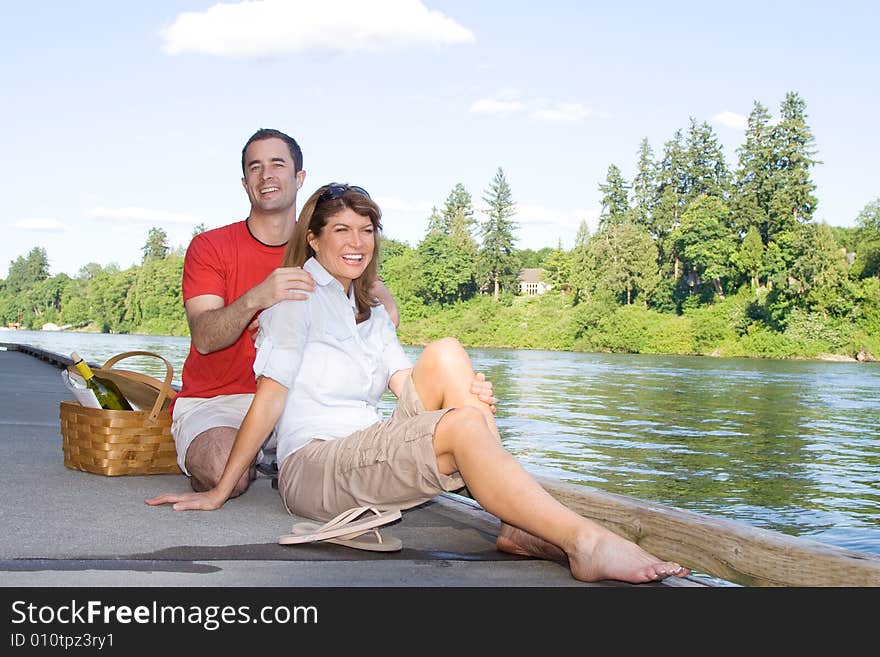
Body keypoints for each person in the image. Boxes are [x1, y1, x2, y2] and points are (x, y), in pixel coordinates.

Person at [148, 183, 689, 584]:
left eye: (366, 229)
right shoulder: (295, 298)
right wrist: (221, 491)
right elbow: (269, 401)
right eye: (341, 229)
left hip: (365, 446)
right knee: (462, 426)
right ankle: (583, 540)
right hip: (314, 467)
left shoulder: (367, 305)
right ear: (311, 240)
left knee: (449, 355)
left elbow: (406, 381)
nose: (357, 241)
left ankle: (517, 523)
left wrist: (463, 397)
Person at [171, 128, 496, 497]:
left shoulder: (330, 240)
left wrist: (380, 317)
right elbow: (205, 338)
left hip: (301, 403)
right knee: (221, 469)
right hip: (223, 402)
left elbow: (382, 310)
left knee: (456, 378)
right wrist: (257, 298)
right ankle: (247, 461)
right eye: (255, 167)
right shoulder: (211, 246)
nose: (266, 175)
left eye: (277, 164)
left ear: (299, 178)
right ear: (245, 183)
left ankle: (490, 484)